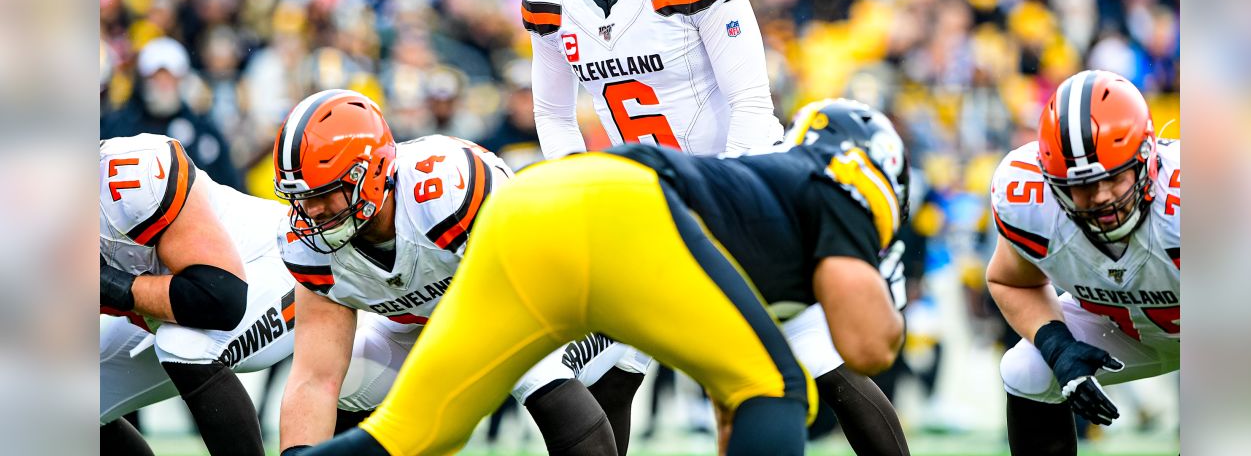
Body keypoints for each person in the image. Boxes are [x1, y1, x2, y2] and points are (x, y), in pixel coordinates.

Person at [522, 0, 909, 455]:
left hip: (743, 183)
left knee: (818, 353)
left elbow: (751, 103)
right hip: (643, 200)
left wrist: (726, 202)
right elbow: (553, 111)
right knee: (607, 371)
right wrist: (584, 197)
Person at [298, 98, 909, 456]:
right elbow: (867, 344)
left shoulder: (772, 195)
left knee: (417, 428)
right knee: (778, 390)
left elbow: (734, 397)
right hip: (628, 209)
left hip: (538, 202)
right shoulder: (837, 191)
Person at [272, 89, 630, 456]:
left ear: (374, 172)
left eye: (325, 192)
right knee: (349, 384)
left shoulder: (446, 192)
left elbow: (518, 308)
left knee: (528, 365)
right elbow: (315, 380)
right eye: (300, 197)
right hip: (441, 319)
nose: (311, 211)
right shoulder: (308, 245)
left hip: (558, 293)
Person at [986, 70, 1180, 456]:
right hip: (1120, 330)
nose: (1101, 198)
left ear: (1146, 158)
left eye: (1115, 178)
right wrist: (1059, 348)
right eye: (1083, 186)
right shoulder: (1030, 198)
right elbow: (1011, 281)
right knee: (1028, 368)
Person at [99, 134, 296, 456]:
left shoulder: (130, 174)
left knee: (186, 344)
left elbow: (218, 298)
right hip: (174, 306)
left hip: (279, 265)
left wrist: (107, 283)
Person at [101, 36, 242, 189]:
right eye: (157, 77)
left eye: (170, 77)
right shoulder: (119, 126)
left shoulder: (202, 129)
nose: (163, 85)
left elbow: (229, 185)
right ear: (144, 80)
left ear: (181, 80)